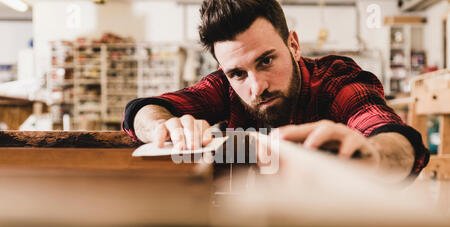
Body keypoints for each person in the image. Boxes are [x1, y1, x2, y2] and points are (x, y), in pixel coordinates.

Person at [122, 0, 429, 181]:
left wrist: (373, 154)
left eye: (266, 61)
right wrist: (163, 128)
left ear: (293, 45)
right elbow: (143, 109)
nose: (256, 87)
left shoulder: (335, 81)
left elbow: (393, 137)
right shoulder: (225, 86)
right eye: (238, 73)